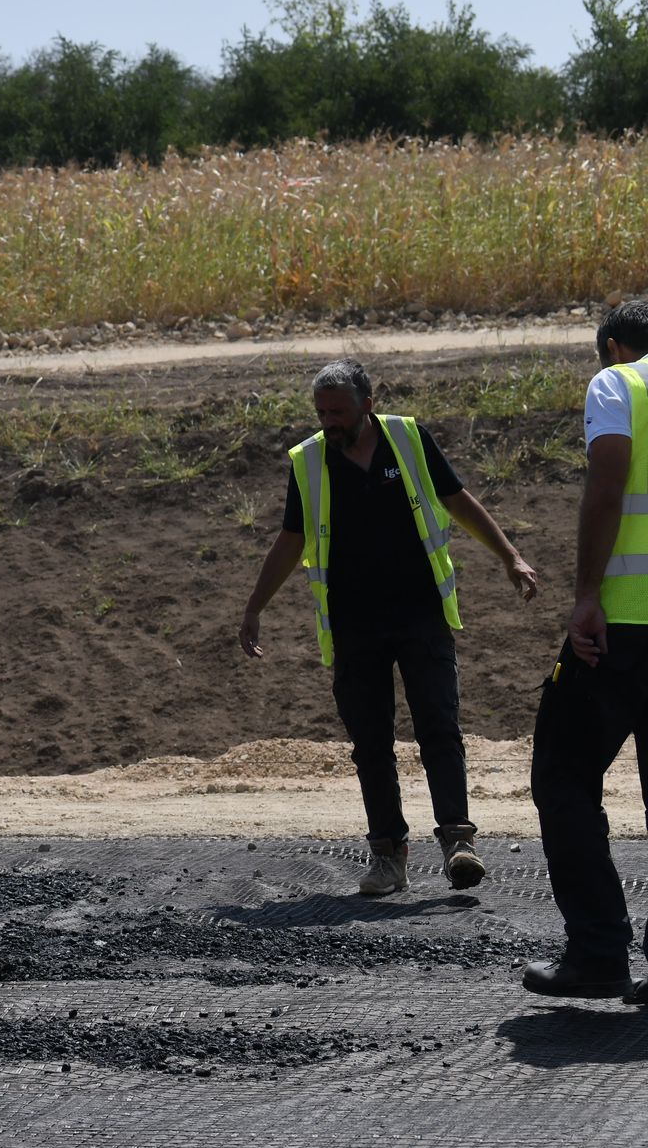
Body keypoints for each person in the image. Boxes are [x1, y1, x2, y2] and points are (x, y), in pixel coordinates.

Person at [238, 358, 537, 896]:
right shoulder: (309, 461)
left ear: (367, 405)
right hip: (354, 625)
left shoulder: (407, 438)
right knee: (371, 744)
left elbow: (456, 499)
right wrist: (255, 606)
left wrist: (509, 556)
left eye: (338, 411)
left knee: (439, 728)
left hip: (421, 614)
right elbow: (291, 538)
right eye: (321, 412)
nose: (328, 421)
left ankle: (458, 841)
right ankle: (388, 857)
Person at [524, 300, 648, 998]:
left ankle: (599, 952)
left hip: (621, 630)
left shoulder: (618, 383)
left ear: (614, 345)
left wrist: (585, 595)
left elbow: (607, 486)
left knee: (563, 778)